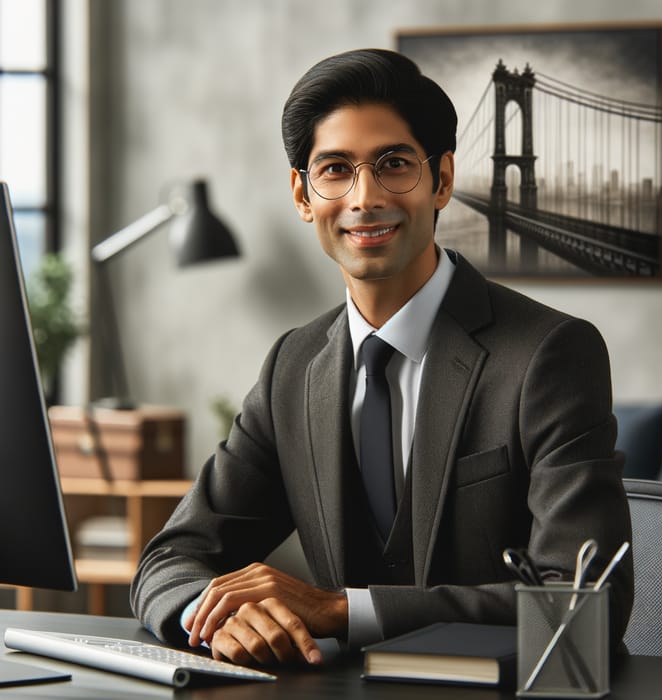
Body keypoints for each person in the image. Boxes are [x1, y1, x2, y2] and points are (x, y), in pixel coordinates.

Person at [130, 48, 634, 668]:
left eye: (394, 164)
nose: (364, 197)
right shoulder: (294, 364)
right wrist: (210, 617)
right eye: (335, 170)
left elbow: (587, 606)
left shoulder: (549, 355)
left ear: (442, 180)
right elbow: (170, 558)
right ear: (302, 195)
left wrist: (344, 609)